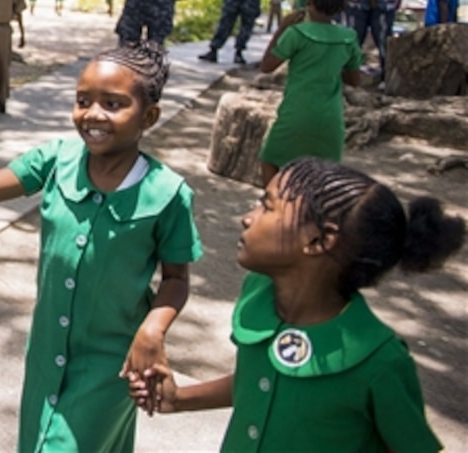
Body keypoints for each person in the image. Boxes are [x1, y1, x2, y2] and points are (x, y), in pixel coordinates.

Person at [0, 43, 202, 453]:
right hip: (46, 354)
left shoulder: (168, 193)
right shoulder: (58, 159)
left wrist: (153, 328)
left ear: (149, 116)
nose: (93, 114)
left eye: (113, 104)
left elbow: (176, 279)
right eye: (82, 101)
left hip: (112, 365)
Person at [129, 157, 463, 453]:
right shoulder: (261, 297)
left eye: (267, 206)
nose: (248, 217)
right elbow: (261, 381)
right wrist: (178, 399)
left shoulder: (379, 359)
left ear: (319, 240)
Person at [258, 0, 362, 186]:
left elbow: (266, 66)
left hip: (295, 113)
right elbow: (354, 80)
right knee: (322, 174)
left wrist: (282, 27)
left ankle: (273, 205)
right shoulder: (348, 38)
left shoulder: (296, 33)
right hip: (331, 118)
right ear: (341, 8)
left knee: (270, 161)